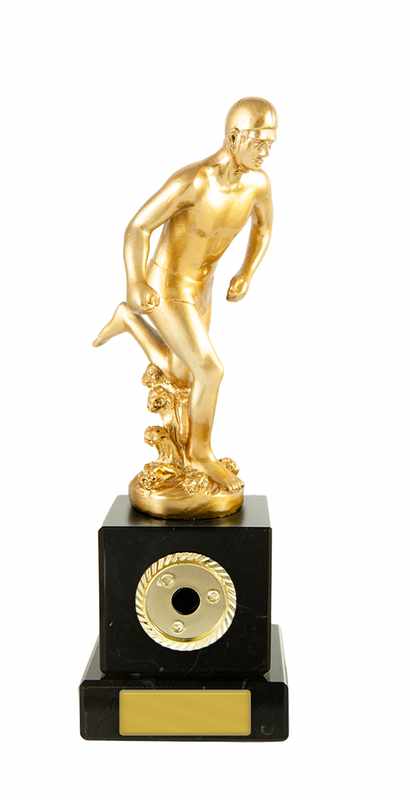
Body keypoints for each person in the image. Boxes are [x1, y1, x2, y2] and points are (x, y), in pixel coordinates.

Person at [94, 97, 276, 491]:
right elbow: (138, 227)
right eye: (258, 142)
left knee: (182, 373)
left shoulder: (258, 184)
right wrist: (136, 281)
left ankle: (128, 321)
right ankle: (200, 454)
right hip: (167, 286)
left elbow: (263, 228)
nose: (266, 152)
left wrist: (247, 271)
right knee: (210, 370)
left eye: (270, 143)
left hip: (201, 287)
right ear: (234, 137)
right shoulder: (194, 181)